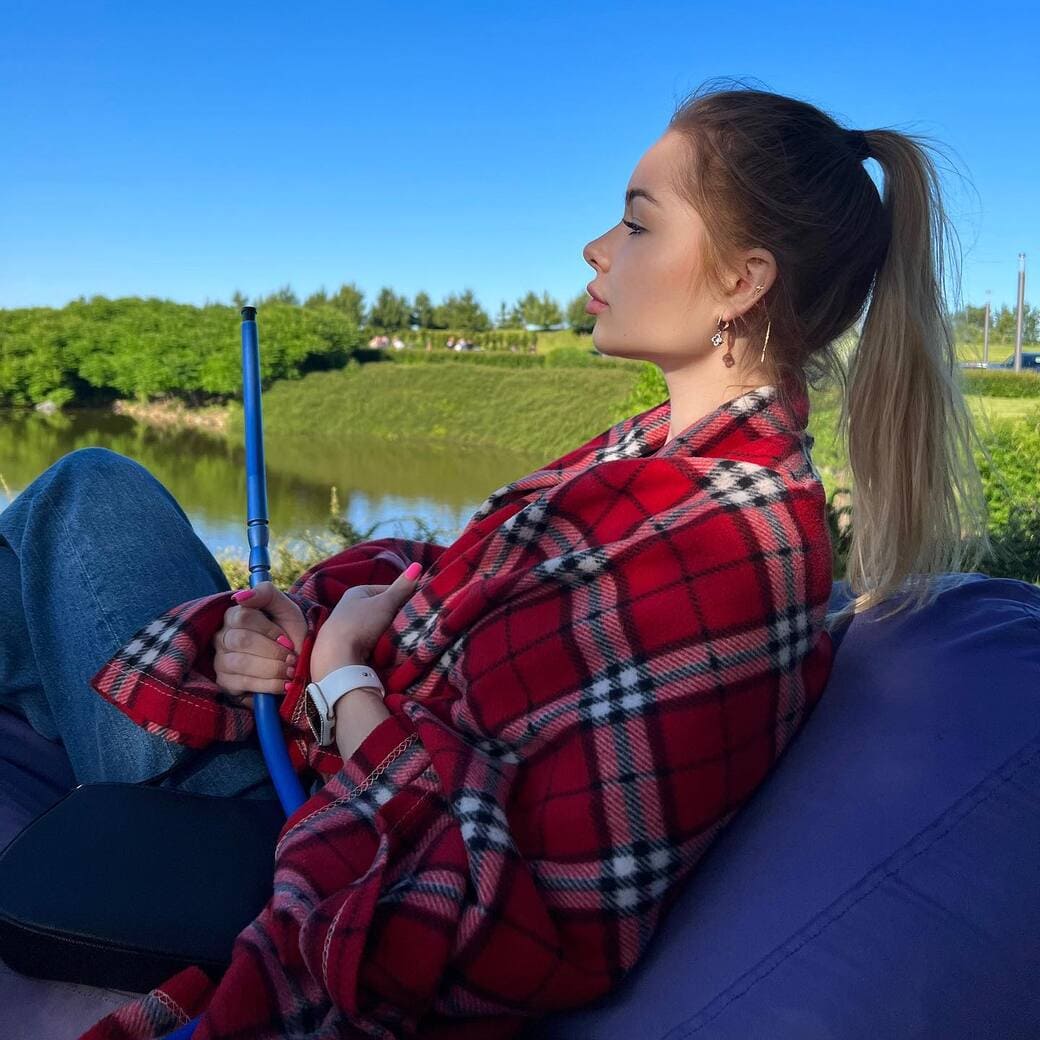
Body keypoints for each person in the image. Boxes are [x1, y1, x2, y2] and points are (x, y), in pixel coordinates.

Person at [1, 82, 992, 1039]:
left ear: (741, 280)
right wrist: (299, 628)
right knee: (68, 533)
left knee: (87, 491)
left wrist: (340, 677)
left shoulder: (725, 545)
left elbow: (502, 910)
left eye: (637, 223)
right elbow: (455, 601)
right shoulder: (652, 463)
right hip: (312, 762)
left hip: (318, 843)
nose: (596, 247)